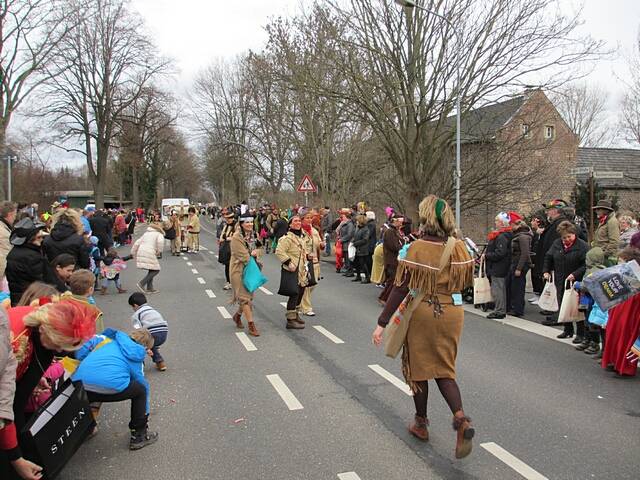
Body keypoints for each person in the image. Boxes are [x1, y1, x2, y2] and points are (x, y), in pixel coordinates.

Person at [372, 195, 475, 459]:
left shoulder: (418, 248)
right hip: (452, 311)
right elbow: (464, 282)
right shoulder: (459, 247)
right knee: (444, 368)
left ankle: (421, 423)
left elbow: (400, 287)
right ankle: (461, 419)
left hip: (425, 311)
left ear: (425, 217)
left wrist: (382, 323)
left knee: (417, 369)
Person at [1, 300, 99, 479]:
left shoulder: (41, 322)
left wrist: (34, 377)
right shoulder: (13, 341)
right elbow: (4, 408)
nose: (60, 350)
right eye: (58, 345)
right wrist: (16, 459)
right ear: (46, 331)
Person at [72, 327, 158, 450]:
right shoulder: (136, 356)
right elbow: (142, 384)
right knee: (140, 390)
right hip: (105, 387)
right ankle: (139, 435)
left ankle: (86, 429)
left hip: (79, 384)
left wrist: (83, 360)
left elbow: (86, 343)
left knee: (97, 386)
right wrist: (146, 413)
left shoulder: (108, 340)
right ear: (145, 347)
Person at [542, 221, 588, 340]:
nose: (567, 239)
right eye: (564, 237)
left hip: (576, 280)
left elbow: (585, 264)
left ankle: (580, 333)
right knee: (563, 304)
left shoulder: (582, 246)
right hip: (560, 279)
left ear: (574, 234)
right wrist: (546, 271)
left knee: (576, 307)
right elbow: (548, 257)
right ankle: (568, 330)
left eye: (569, 236)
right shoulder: (557, 244)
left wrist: (575, 274)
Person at [600, 244, 640, 376]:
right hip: (619, 308)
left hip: (631, 312)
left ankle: (625, 366)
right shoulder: (623, 273)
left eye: (622, 260)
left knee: (625, 337)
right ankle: (615, 361)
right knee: (615, 335)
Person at [229, 214, 262, 336]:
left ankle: (237, 316)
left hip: (252, 269)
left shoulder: (254, 235)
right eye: (247, 222)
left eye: (251, 222)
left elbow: (260, 248)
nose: (250, 225)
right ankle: (251, 325)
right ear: (242, 224)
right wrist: (253, 254)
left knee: (249, 297)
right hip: (238, 270)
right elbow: (244, 257)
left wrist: (257, 251)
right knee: (244, 298)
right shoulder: (236, 237)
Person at [275, 215, 310, 330]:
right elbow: (279, 251)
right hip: (292, 269)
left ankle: (296, 314)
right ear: (290, 224)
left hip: (302, 270)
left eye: (299, 220)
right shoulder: (287, 238)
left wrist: (309, 256)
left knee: (301, 292)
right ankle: (290, 320)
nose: (298, 222)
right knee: (294, 294)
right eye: (295, 221)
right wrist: (288, 262)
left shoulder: (303, 236)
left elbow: (304, 250)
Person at [5, 218, 48, 306]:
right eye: (39, 237)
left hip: (17, 298)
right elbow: (41, 281)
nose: (42, 240)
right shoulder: (32, 256)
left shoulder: (14, 252)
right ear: (30, 239)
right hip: (30, 300)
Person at [129, 292, 169, 371]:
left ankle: (140, 364)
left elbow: (139, 330)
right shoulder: (152, 310)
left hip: (152, 335)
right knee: (151, 343)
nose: (133, 309)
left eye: (132, 307)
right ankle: (160, 363)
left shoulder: (136, 314)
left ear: (135, 305)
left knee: (137, 340)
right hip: (164, 333)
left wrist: (143, 346)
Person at [484, 212, 513, 319]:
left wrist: (487, 255)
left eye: (497, 221)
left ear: (501, 223)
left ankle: (500, 310)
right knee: (499, 288)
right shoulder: (504, 235)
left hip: (498, 266)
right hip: (499, 266)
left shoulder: (502, 236)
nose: (495, 223)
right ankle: (500, 309)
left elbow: (500, 253)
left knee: (498, 289)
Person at [300, 209, 323, 316]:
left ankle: (299, 302)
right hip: (303, 262)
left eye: (310, 218)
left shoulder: (314, 230)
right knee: (306, 285)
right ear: (302, 219)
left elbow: (318, 243)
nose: (309, 220)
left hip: (315, 260)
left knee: (313, 284)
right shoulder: (298, 231)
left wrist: (321, 244)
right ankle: (306, 308)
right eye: (307, 218)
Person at [132, 222, 165, 294]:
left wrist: (133, 252)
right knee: (156, 270)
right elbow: (160, 242)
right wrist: (159, 251)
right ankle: (141, 283)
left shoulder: (146, 233)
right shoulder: (159, 234)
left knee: (152, 269)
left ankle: (150, 288)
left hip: (142, 251)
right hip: (150, 251)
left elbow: (137, 242)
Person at [509, 219, 532, 317]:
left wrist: (519, 268)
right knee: (516, 286)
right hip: (517, 263)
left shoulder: (523, 237)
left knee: (518, 287)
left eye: (512, 224)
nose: (511, 227)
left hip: (519, 264)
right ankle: (516, 307)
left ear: (518, 225)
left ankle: (518, 309)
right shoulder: (521, 235)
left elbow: (525, 253)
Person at [379, 214, 404, 304]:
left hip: (395, 260)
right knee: (391, 280)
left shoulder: (396, 232)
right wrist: (402, 246)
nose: (401, 225)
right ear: (395, 221)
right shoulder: (390, 232)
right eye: (400, 222)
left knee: (392, 280)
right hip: (391, 260)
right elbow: (394, 246)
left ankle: (386, 298)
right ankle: (383, 298)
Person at [591, 200, 619, 266]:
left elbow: (614, 242)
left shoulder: (612, 222)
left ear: (605, 210)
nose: (596, 211)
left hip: (608, 258)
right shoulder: (603, 221)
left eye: (598, 209)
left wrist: (604, 254)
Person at [528, 214, 547, 305]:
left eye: (533, 221)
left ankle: (540, 294)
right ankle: (536, 294)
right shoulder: (535, 233)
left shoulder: (542, 232)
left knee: (538, 277)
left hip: (539, 257)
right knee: (534, 276)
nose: (531, 223)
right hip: (534, 257)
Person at [219, 212, 236, 290]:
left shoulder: (236, 226)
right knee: (227, 266)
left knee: (233, 266)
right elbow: (222, 236)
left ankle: (234, 282)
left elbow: (237, 237)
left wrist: (227, 238)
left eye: (228, 218)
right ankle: (228, 282)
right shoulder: (225, 226)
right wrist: (222, 239)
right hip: (226, 248)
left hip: (234, 248)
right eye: (226, 219)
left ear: (232, 218)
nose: (227, 220)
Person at [351, 214, 371, 283]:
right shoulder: (358, 228)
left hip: (363, 249)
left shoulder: (366, 229)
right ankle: (358, 276)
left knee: (363, 263)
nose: (356, 222)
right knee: (356, 263)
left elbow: (365, 240)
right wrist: (353, 241)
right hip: (357, 248)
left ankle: (367, 277)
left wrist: (355, 243)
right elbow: (355, 236)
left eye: (357, 221)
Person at [0, 201, 17, 280]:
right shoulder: (3, 233)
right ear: (10, 214)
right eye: (15, 214)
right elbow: (5, 257)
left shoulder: (4, 227)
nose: (15, 217)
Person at [365, 211, 377, 278]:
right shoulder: (369, 224)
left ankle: (370, 273)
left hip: (370, 244)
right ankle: (369, 273)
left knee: (369, 260)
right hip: (370, 243)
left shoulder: (371, 224)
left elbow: (368, 234)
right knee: (368, 259)